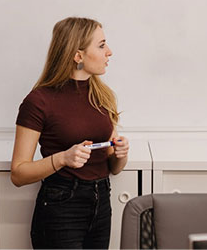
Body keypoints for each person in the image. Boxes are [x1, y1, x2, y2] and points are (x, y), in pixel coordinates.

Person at [10, 17, 129, 249]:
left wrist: (121, 154)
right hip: (61, 206)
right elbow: (18, 174)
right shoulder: (38, 101)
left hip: (101, 202)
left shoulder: (103, 97)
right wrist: (63, 158)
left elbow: (113, 168)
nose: (110, 52)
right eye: (102, 45)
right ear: (78, 56)